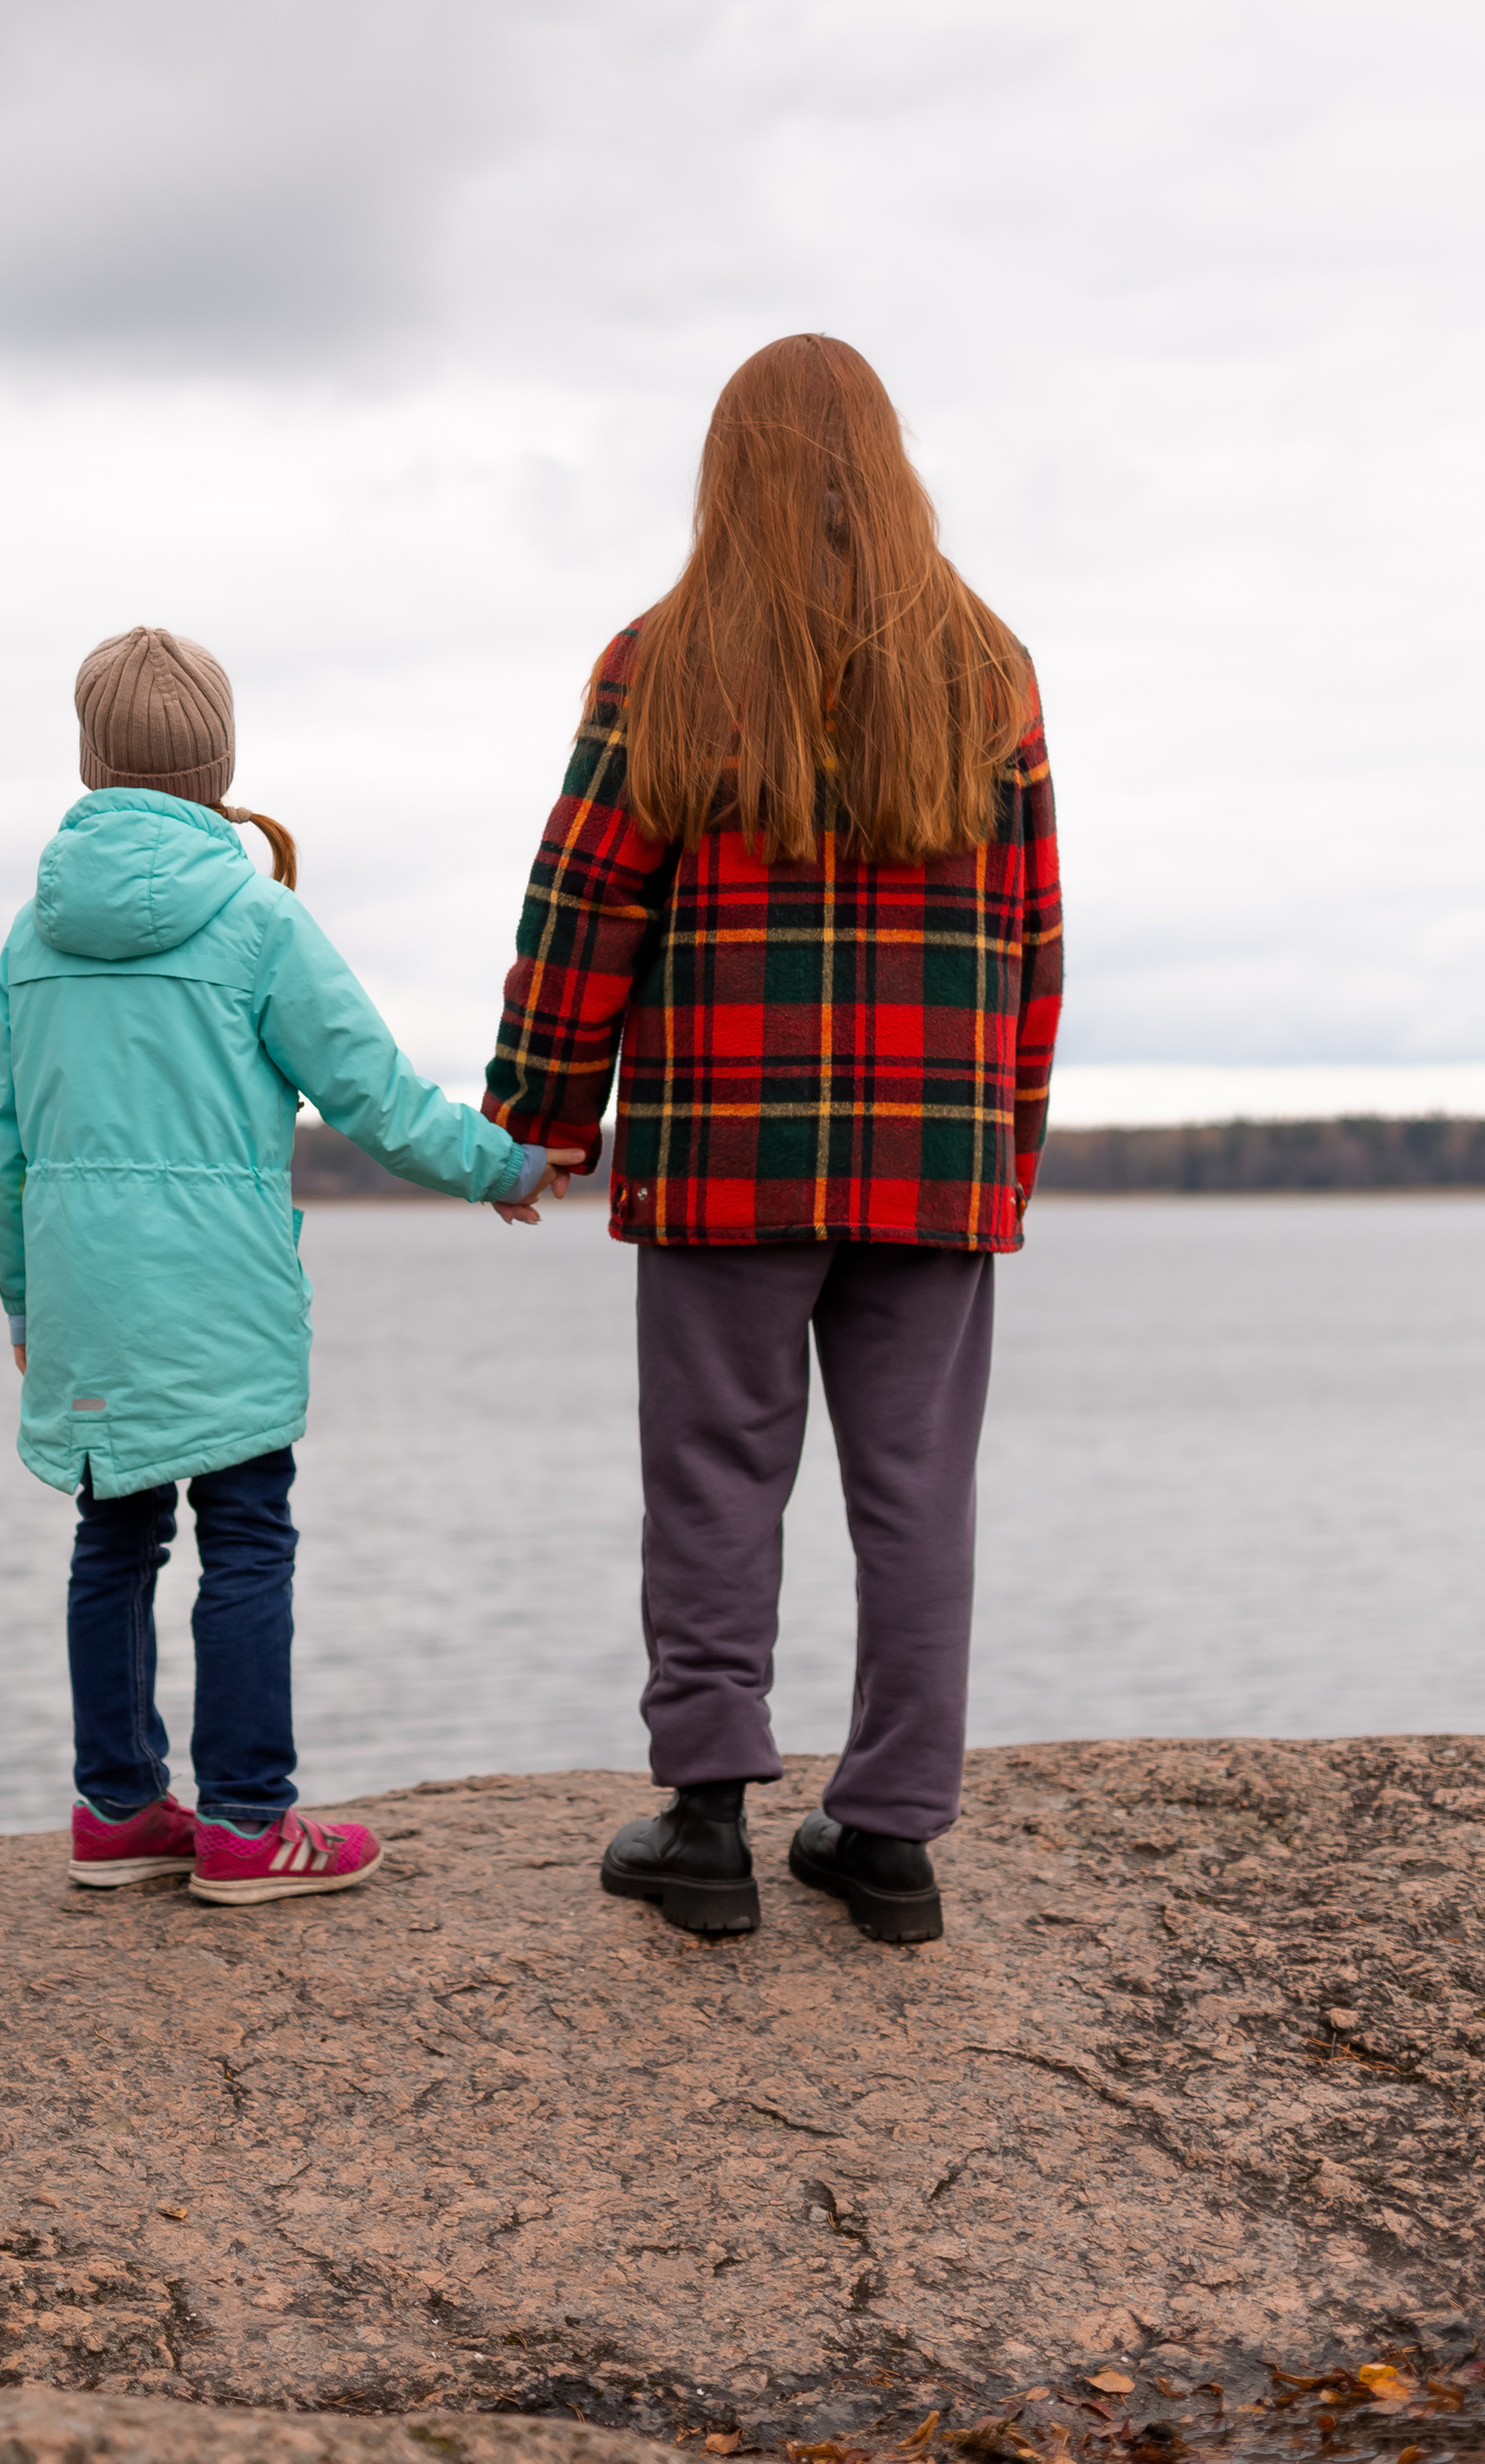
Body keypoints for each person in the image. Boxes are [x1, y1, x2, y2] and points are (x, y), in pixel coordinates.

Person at [481, 336, 1062, 1944]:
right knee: (918, 1491)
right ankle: (887, 1842)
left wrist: (542, 1115)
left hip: (728, 1152)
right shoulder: (988, 663)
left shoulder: (662, 658)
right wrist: (1004, 1155)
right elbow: (1032, 937)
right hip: (932, 1162)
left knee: (715, 1480)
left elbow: (583, 898)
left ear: (722, 472)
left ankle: (709, 1826)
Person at [0, 624, 578, 1908]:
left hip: (87, 1298)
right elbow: (369, 1091)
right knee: (246, 1535)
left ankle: (117, 1807)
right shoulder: (257, 919)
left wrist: (22, 1295)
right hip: (224, 1294)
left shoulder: (34, 934)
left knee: (114, 1535)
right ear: (220, 764)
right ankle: (249, 1824)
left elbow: (1, 1146)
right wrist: (504, 1168)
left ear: (92, 762)